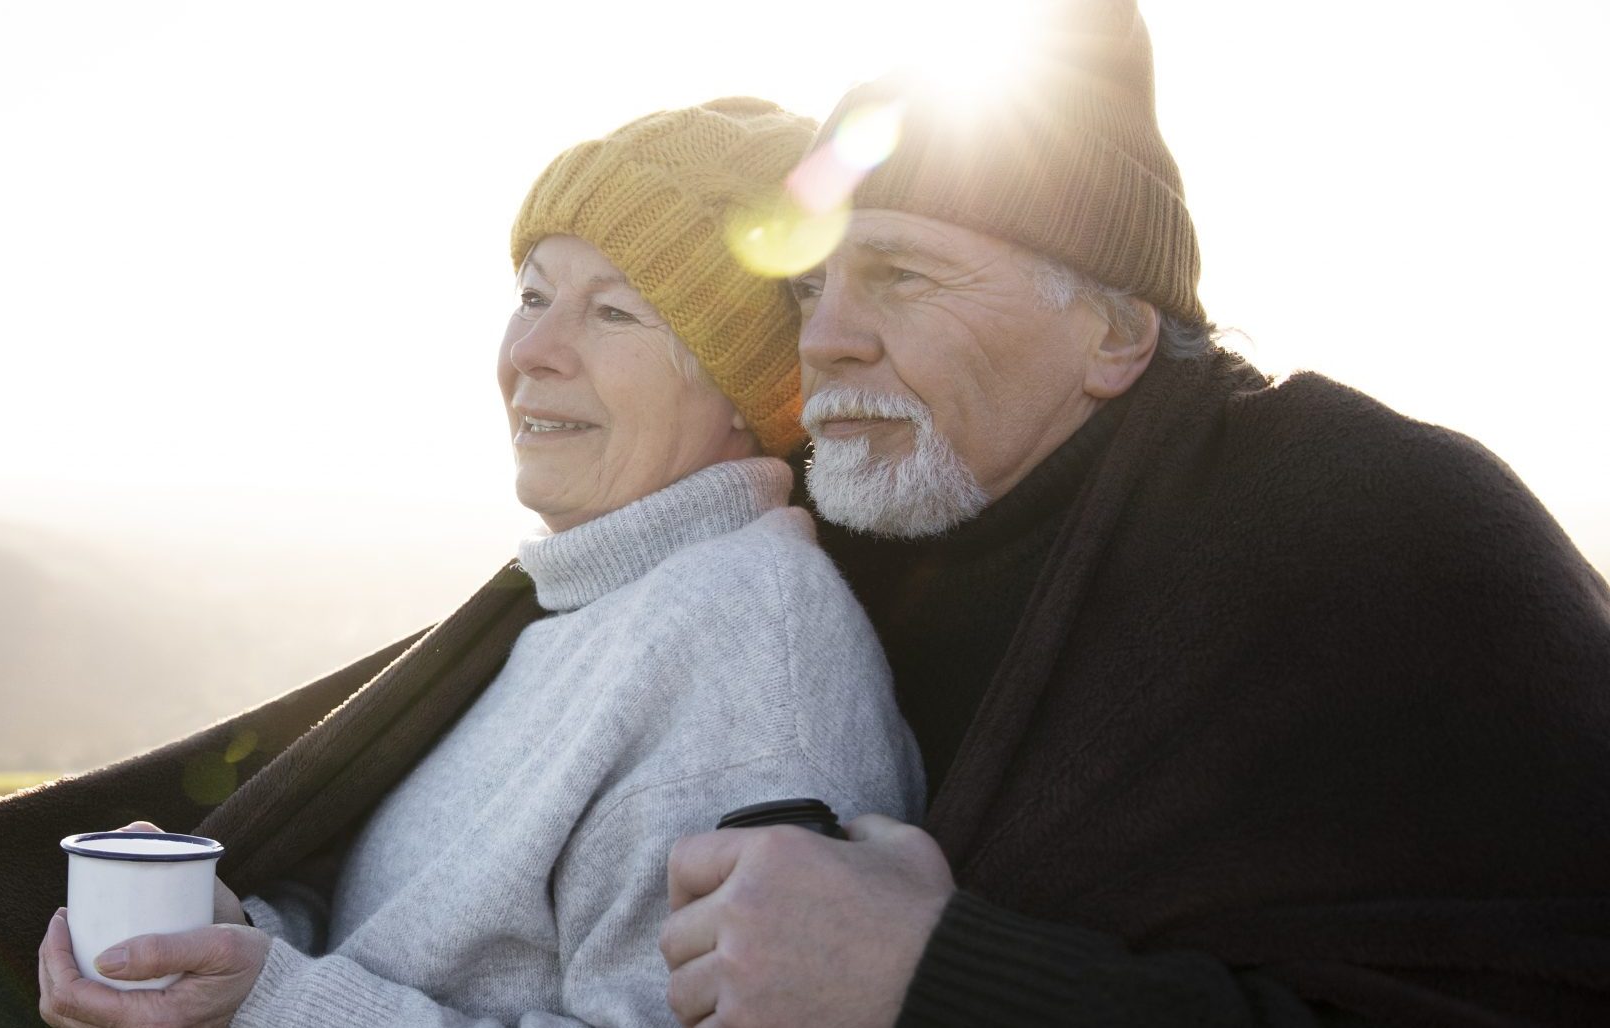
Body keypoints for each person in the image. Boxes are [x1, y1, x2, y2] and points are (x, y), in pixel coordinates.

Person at [656, 2, 1610, 1025]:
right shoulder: (785, 534)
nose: (826, 338)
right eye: (809, 287)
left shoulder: (1387, 529)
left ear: (1112, 334)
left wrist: (933, 977)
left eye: (897, 274)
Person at [31, 98, 923, 1028]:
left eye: (615, 312)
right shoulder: (581, 607)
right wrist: (225, 949)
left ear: (748, 387)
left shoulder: (747, 652)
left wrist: (268, 1006)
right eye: (533, 297)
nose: (532, 353)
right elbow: (398, 944)